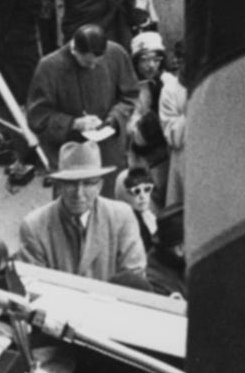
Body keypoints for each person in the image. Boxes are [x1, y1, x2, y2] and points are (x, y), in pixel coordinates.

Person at [17, 140, 150, 286]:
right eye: (71, 183)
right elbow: (34, 286)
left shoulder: (121, 217)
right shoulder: (34, 226)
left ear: (100, 186)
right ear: (59, 186)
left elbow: (133, 280)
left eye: (88, 183)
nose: (79, 193)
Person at [23, 23, 134, 180]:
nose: (93, 66)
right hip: (71, 153)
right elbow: (37, 117)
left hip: (109, 151)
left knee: (110, 201)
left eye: (98, 62)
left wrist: (114, 119)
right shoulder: (49, 67)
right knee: (74, 199)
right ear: (74, 51)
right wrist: (73, 123)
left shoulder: (116, 53)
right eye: (87, 63)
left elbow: (130, 95)